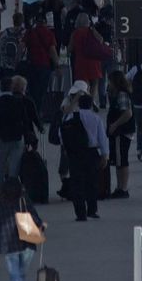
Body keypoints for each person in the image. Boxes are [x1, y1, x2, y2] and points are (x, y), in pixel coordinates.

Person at [0, 75, 40, 193]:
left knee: (0, 167)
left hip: (1, 138)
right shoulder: (18, 101)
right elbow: (25, 122)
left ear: (0, 88)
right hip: (17, 139)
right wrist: (29, 139)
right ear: (11, 88)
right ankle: (12, 193)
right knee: (14, 169)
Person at [60, 91, 108, 221]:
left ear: (79, 105)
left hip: (75, 153)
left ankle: (80, 213)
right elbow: (102, 138)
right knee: (92, 182)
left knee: (77, 182)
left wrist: (66, 148)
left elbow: (62, 133)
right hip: (91, 152)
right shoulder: (96, 118)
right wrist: (105, 155)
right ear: (91, 105)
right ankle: (92, 210)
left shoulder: (71, 117)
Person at [105, 69, 135, 198]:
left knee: (121, 160)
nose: (108, 84)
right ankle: (120, 186)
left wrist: (115, 125)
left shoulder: (121, 95)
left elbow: (127, 113)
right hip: (121, 131)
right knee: (119, 160)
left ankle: (122, 187)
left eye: (110, 81)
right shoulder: (118, 94)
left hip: (121, 131)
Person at [68, 11, 112, 98]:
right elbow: (101, 40)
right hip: (93, 60)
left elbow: (70, 48)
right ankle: (92, 101)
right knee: (95, 82)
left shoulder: (75, 33)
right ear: (88, 21)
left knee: (84, 82)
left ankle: (85, 99)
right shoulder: (91, 30)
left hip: (80, 61)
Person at [23, 10, 58, 110]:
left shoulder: (29, 32)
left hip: (32, 65)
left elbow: (22, 46)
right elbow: (52, 51)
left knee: (32, 90)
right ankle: (38, 111)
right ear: (45, 22)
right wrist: (57, 65)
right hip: (44, 66)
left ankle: (31, 110)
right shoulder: (49, 33)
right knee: (42, 91)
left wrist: (17, 60)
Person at [0, 10, 26, 91]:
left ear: (13, 21)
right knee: (19, 86)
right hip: (20, 64)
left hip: (6, 64)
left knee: (7, 86)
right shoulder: (25, 33)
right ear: (22, 21)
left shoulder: (6, 32)